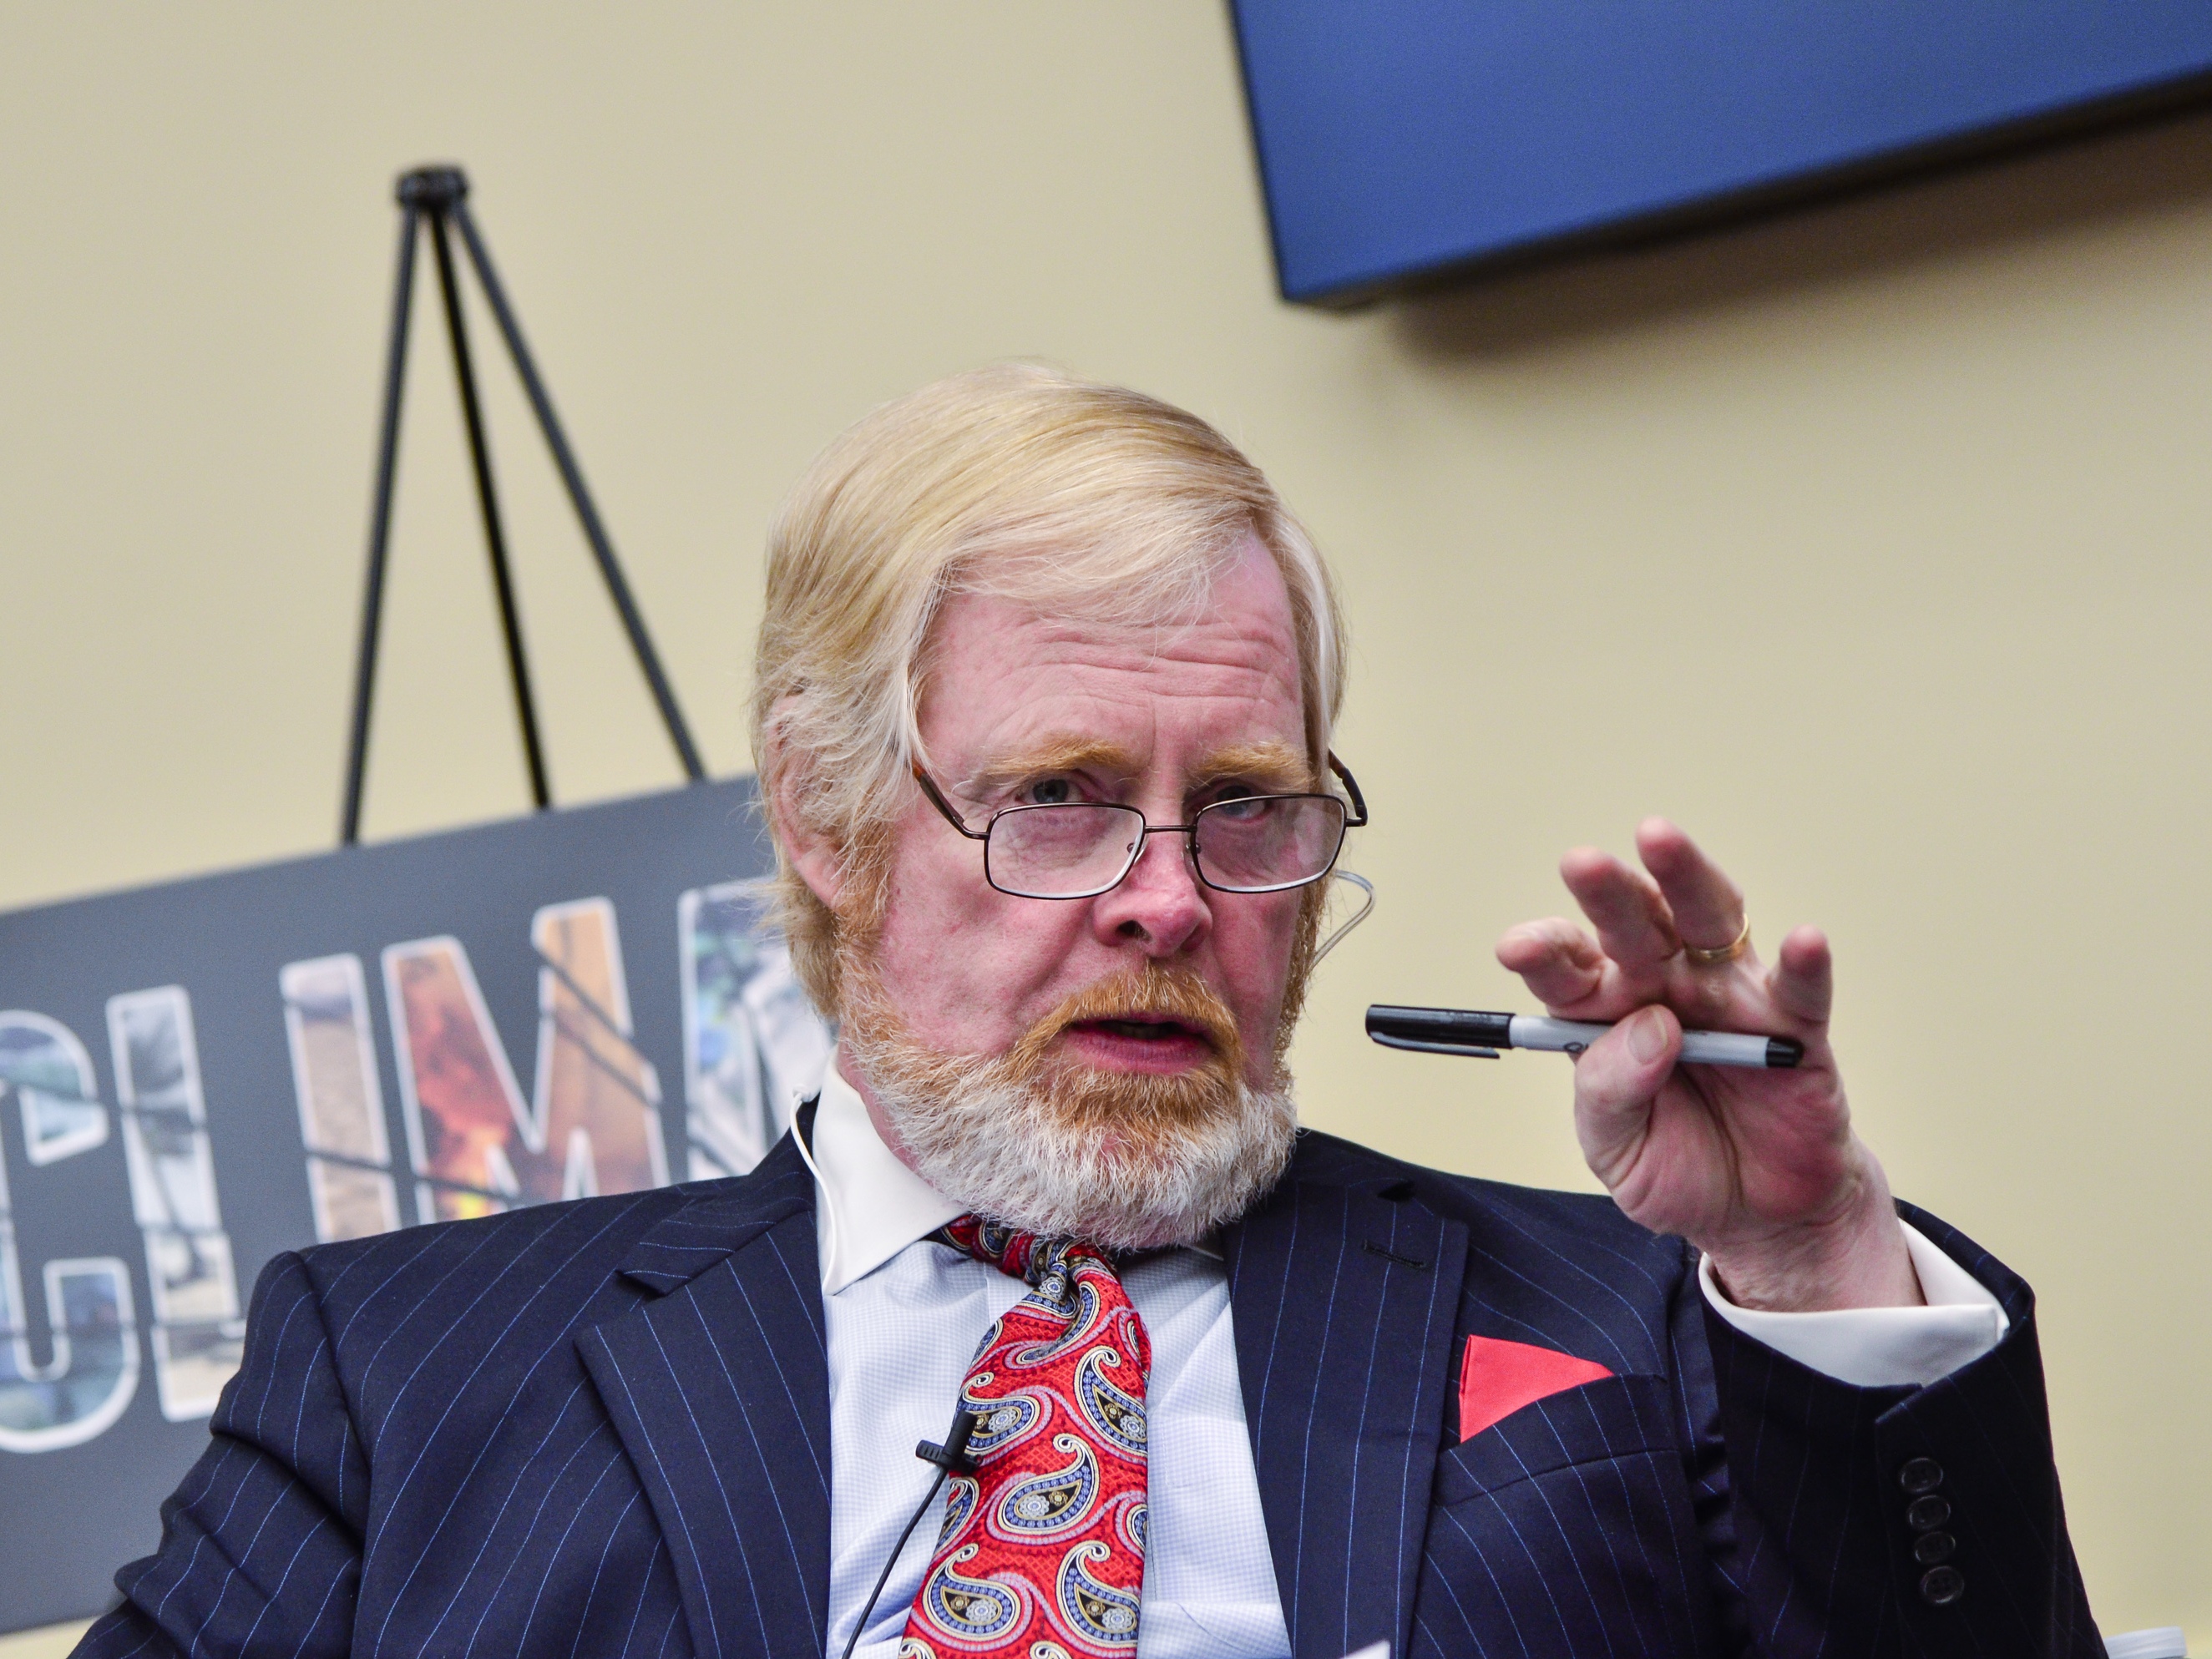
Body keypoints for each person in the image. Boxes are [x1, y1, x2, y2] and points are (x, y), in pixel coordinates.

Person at [79, 366, 2098, 1659]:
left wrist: (1803, 1247)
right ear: (827, 817)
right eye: (1054, 797)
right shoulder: (404, 1374)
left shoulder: (1641, 1321)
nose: (1161, 896)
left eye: (1242, 809)